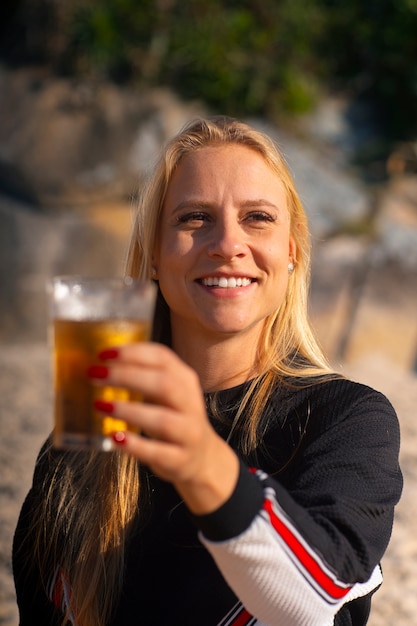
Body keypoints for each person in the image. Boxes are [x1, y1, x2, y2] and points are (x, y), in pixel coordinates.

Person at [13, 116, 402, 626]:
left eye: (257, 217)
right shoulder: (88, 437)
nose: (226, 243)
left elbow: (315, 606)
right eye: (194, 217)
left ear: (292, 250)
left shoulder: (347, 420)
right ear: (154, 253)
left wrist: (202, 464)